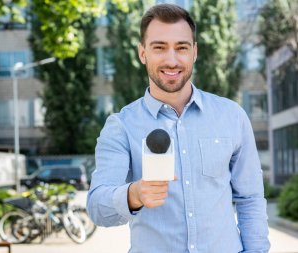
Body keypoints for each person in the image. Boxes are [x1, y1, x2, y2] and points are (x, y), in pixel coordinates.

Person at [87, 3, 270, 253]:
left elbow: (250, 199)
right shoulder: (121, 126)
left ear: (194, 52)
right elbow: (97, 207)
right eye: (159, 48)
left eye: (181, 48)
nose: (171, 60)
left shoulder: (232, 116)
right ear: (142, 53)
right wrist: (134, 194)